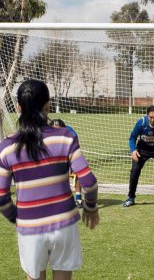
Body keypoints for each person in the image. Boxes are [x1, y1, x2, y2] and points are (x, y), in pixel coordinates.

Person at [0, 79, 99, 280]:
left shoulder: (6, 146)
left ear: (18, 107)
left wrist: (16, 218)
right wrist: (90, 208)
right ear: (48, 105)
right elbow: (89, 182)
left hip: (30, 228)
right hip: (64, 224)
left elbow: (1, 195)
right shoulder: (65, 137)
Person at [49, 119, 83, 208]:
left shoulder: (71, 134)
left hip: (70, 151)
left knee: (76, 171)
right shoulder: (47, 134)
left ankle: (78, 198)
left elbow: (75, 150)